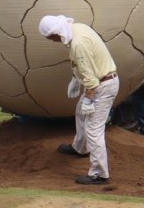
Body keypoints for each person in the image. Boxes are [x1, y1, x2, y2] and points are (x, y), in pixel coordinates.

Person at [40, 15, 119, 185]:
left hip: (102, 86)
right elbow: (88, 64)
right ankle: (80, 148)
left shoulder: (77, 44)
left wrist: (89, 99)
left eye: (49, 37)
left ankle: (99, 173)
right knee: (80, 113)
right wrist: (76, 78)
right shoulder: (78, 28)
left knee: (93, 129)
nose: (51, 41)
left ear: (55, 32)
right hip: (103, 80)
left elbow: (91, 80)